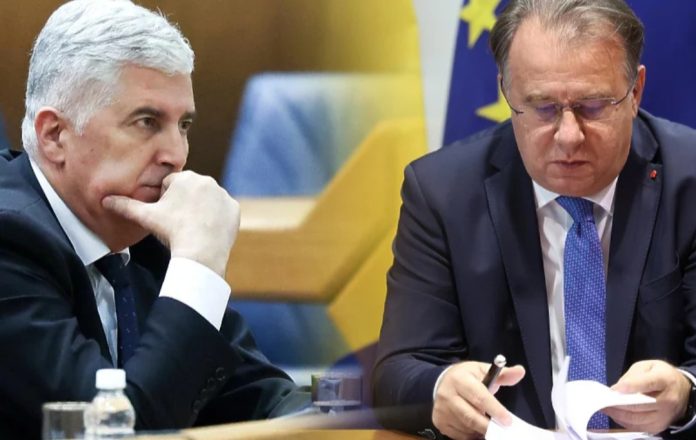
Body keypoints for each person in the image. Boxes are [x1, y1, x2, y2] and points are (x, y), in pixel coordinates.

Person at [373, 0, 696, 439]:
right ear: (507, 92)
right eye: (542, 107)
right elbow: (398, 372)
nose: (569, 136)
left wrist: (686, 389)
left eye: (593, 106)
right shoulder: (443, 194)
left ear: (635, 91)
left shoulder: (689, 181)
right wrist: (440, 387)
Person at [0, 1, 308, 437]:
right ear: (55, 136)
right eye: (147, 122)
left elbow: (260, 397)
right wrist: (198, 265)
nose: (176, 155)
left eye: (183, 125)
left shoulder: (142, 234)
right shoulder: (9, 241)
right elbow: (121, 430)